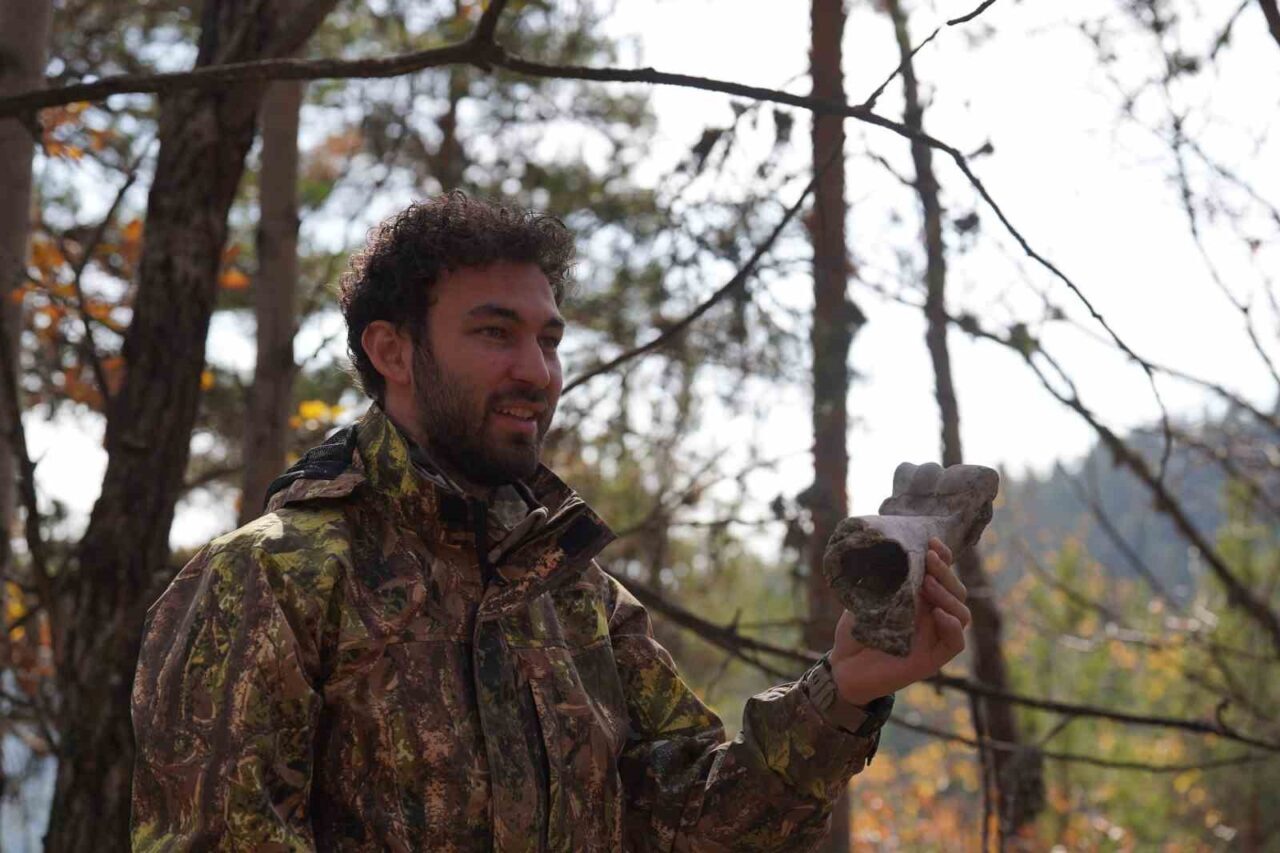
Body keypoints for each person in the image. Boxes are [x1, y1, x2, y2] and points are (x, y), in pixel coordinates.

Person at [130, 192, 971, 851]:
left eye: (548, 339)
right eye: (495, 333)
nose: (535, 370)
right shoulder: (271, 581)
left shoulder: (574, 597)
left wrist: (845, 688)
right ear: (392, 352)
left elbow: (699, 824)